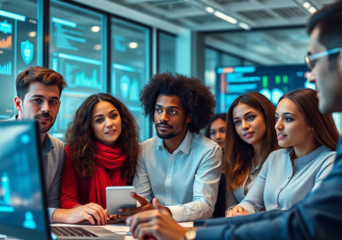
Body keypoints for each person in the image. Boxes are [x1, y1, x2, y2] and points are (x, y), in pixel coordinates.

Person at [126, 2, 342, 239]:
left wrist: (190, 235)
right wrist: (230, 217)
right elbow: (256, 206)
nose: (310, 74)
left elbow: (302, 221)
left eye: (314, 61)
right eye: (237, 122)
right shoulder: (276, 158)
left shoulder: (329, 160)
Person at [10, 66, 108, 225]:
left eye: (52, 102)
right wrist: (63, 215)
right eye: (37, 100)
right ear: (18, 103)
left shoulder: (58, 149)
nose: (46, 109)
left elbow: (52, 204)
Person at [119, 72, 222, 222]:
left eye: (172, 111)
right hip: (153, 228)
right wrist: (131, 209)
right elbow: (142, 198)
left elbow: (204, 206)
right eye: (158, 110)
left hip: (191, 232)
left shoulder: (208, 150)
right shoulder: (146, 149)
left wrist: (162, 212)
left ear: (189, 117)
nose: (163, 118)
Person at [227, 89, 338, 217]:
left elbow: (311, 215)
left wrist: (256, 219)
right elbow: (251, 202)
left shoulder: (331, 162)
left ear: (312, 123)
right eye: (277, 118)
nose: (277, 126)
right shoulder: (275, 157)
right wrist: (239, 210)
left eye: (288, 119)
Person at [59, 93, 139, 225]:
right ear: (89, 127)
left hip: (124, 226)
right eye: (99, 120)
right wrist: (83, 210)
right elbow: (67, 200)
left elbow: (141, 196)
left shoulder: (134, 152)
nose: (109, 124)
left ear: (122, 119)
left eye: (113, 116)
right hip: (88, 225)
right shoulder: (73, 153)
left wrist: (129, 209)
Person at [224, 92, 279, 214]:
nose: (244, 126)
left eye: (250, 117)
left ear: (267, 116)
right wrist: (231, 212)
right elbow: (231, 203)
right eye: (237, 122)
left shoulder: (283, 157)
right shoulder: (236, 159)